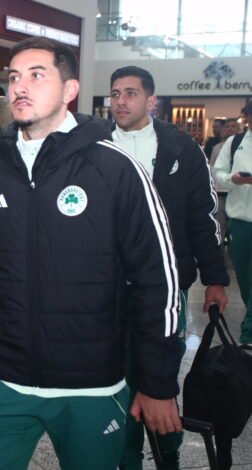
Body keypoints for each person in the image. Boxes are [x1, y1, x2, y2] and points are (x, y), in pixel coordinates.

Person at [0, 37, 182, 470]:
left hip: (91, 385)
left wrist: (157, 382)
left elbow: (157, 279)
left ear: (69, 90)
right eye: (14, 76)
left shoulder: (115, 168)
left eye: (37, 75)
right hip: (5, 381)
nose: (20, 86)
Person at [108, 65, 229, 470]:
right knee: (116, 377)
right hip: (108, 285)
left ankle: (168, 452)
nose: (121, 101)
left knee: (160, 371)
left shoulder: (180, 148)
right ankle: (126, 457)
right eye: (115, 94)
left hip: (166, 285)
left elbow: (202, 218)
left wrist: (215, 279)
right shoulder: (95, 145)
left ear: (151, 100)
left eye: (130, 93)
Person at [213, 101, 252, 350]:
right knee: (244, 278)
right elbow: (217, 174)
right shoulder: (235, 143)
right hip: (239, 222)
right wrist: (233, 179)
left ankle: (249, 333)